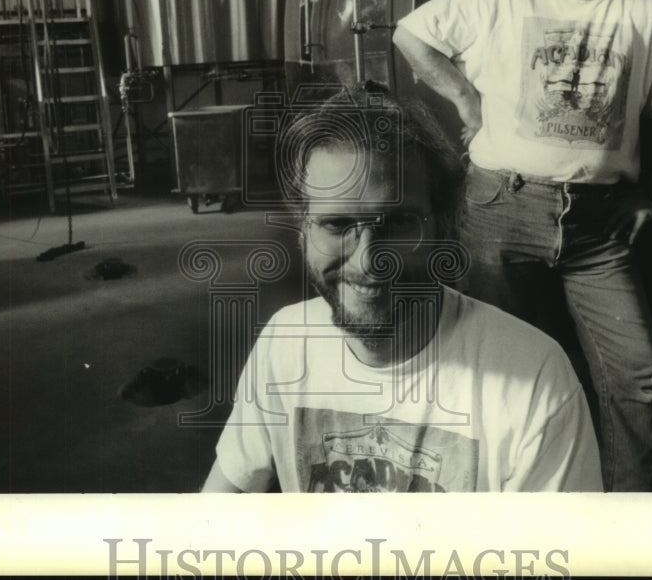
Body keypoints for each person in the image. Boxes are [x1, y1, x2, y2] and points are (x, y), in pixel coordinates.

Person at [392, 0, 652, 491]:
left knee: (636, 373)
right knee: (499, 371)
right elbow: (412, 34)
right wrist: (464, 97)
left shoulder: (649, 8)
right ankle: (507, 510)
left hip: (599, 230)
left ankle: (621, 525)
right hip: (500, 211)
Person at [203, 83, 602, 492]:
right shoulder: (284, 342)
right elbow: (225, 498)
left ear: (444, 228)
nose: (368, 260)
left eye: (396, 224)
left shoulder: (535, 379)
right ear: (302, 232)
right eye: (337, 225)